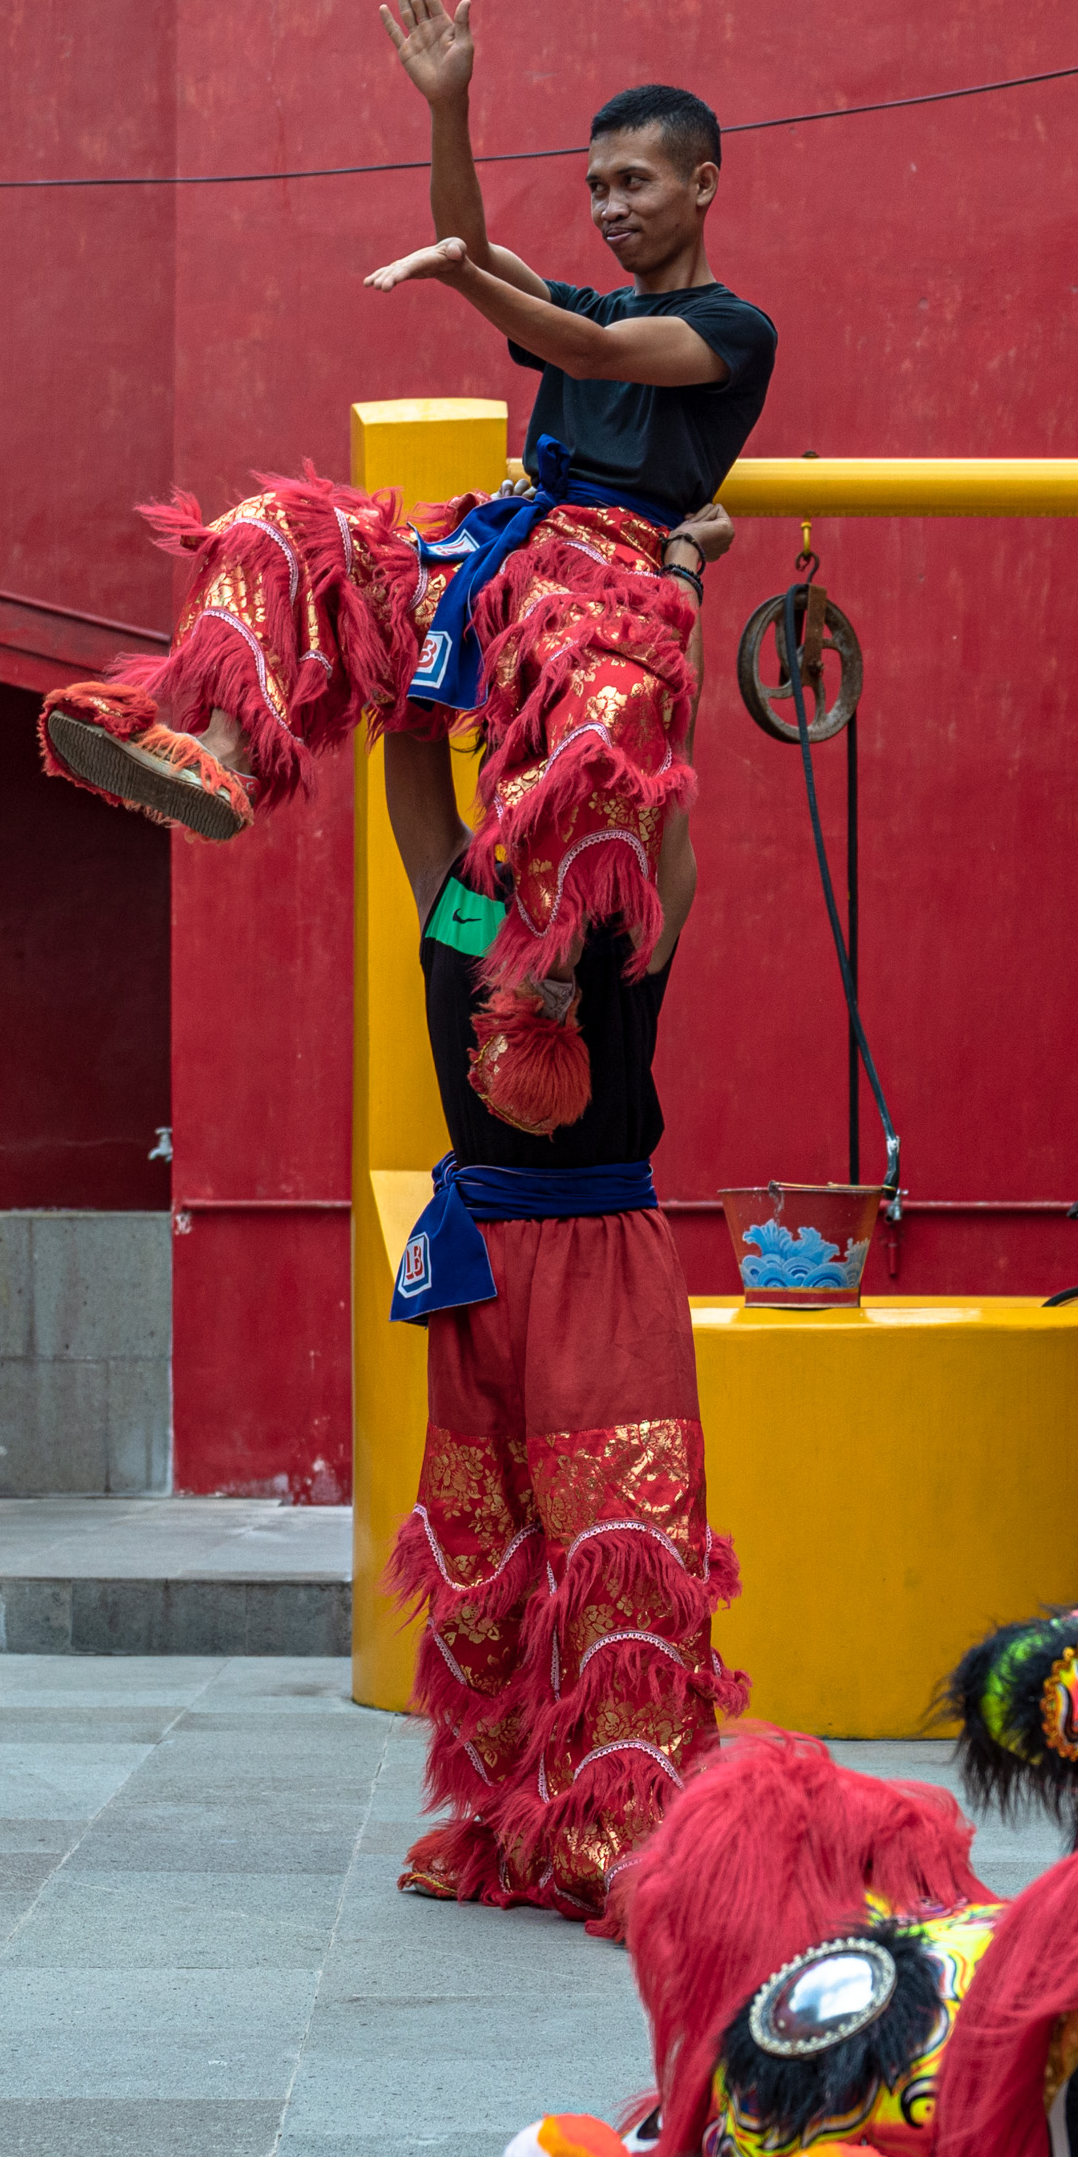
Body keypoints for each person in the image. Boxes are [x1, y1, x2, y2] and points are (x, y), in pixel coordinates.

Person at [40, 0, 773, 1128]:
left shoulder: (732, 327)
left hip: (609, 581)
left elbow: (581, 352)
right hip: (509, 551)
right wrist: (447, 107)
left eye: (633, 181)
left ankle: (546, 970)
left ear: (704, 183)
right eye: (595, 186)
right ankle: (219, 748)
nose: (608, 206)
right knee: (290, 531)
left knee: (589, 749)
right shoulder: (590, 305)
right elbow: (473, 248)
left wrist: (467, 282)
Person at [374, 675, 745, 1934]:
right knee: (483, 1554)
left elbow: (671, 790)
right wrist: (418, 628)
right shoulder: (463, 900)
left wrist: (664, 639)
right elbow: (410, 762)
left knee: (619, 1550)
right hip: (480, 1257)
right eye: (514, 757)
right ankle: (504, 1818)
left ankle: (621, 1827)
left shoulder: (626, 917)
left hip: (603, 1258)